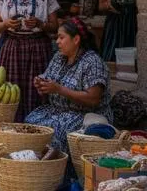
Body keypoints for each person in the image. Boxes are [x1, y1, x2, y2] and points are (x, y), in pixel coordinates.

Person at [25, 19, 113, 155]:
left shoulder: (92, 62)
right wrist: (41, 83)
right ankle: (35, 165)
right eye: (57, 38)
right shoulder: (59, 57)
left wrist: (59, 89)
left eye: (61, 37)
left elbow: (93, 99)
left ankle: (60, 171)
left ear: (76, 39)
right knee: (30, 122)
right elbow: (48, 77)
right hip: (58, 110)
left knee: (56, 130)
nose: (57, 42)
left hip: (84, 114)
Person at [0, 0, 60, 121]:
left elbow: (55, 26)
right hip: (12, 47)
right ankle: (12, 125)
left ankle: (37, 125)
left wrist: (40, 24)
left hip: (38, 48)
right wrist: (7, 24)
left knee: (36, 89)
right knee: (11, 88)